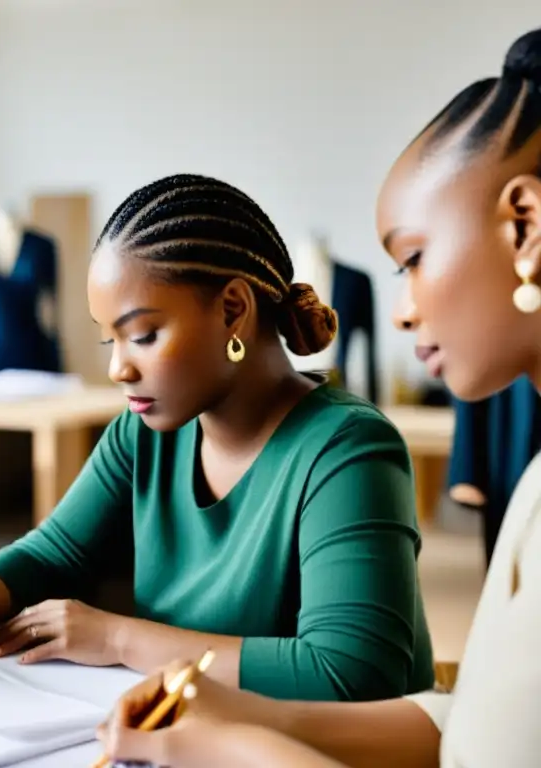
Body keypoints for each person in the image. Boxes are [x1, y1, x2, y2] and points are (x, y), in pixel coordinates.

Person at [96, 27, 541, 768]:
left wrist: (233, 749)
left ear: (524, 224)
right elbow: (485, 730)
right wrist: (233, 709)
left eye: (415, 259)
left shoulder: (347, 441)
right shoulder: (531, 486)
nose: (402, 310)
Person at [0, 174, 436, 702]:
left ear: (234, 310)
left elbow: (354, 673)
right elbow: (54, 553)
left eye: (144, 335)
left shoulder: (348, 449)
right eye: (111, 341)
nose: (118, 369)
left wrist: (119, 636)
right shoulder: (144, 433)